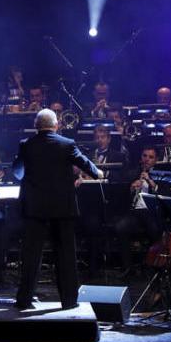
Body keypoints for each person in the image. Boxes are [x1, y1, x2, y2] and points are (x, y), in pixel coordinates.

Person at [11, 109, 103, 310]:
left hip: (34, 208)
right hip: (62, 208)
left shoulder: (26, 145)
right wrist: (97, 172)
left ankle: (24, 300)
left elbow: (17, 171)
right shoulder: (66, 144)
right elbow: (84, 163)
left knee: (31, 256)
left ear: (37, 126)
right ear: (56, 125)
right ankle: (69, 301)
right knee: (65, 256)